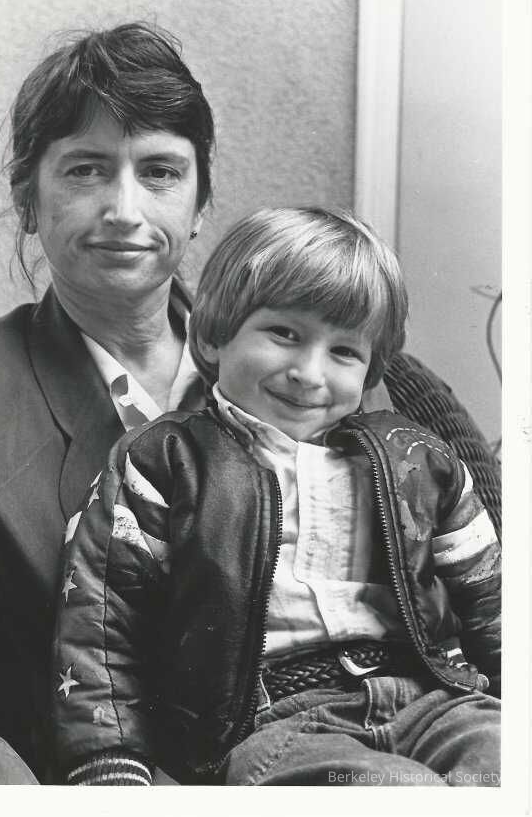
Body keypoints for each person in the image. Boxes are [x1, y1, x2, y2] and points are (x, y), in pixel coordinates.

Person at [51, 207, 501, 787]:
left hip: (435, 700)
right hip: (276, 722)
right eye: (285, 334)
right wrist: (109, 761)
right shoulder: (165, 463)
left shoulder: (418, 461)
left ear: (369, 373)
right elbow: (100, 620)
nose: (309, 373)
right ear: (213, 337)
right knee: (393, 791)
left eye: (344, 352)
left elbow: (492, 598)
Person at [0, 21, 214, 783]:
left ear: (200, 203)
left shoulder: (305, 372)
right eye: (86, 170)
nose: (124, 208)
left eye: (159, 171)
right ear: (27, 199)